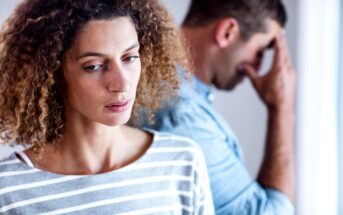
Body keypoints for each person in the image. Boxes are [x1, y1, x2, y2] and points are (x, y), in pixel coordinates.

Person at [0, 0, 215, 214]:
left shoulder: (182, 162)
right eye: (93, 66)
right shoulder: (8, 189)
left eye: (129, 58)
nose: (122, 83)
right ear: (52, 71)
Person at [146, 0, 296, 214]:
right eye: (260, 51)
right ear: (227, 32)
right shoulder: (184, 117)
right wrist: (282, 107)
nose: (259, 68)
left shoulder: (162, 84)